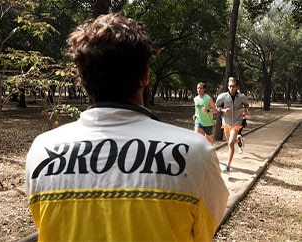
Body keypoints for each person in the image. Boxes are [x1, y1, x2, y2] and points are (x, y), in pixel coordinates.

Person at [26, 13, 228, 242]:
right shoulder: (196, 153)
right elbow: (204, 232)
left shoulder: (42, 151)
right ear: (145, 76)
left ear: (82, 78)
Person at [215, 77, 249, 172]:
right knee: (230, 142)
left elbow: (247, 105)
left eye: (233, 86)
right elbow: (216, 107)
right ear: (228, 86)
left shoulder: (242, 97)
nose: (231, 88)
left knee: (230, 143)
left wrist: (244, 109)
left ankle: (228, 165)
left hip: (237, 121)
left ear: (236, 87)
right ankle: (238, 139)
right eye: (230, 86)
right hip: (226, 122)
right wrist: (223, 110)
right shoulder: (222, 96)